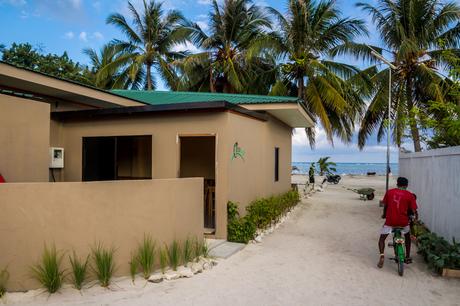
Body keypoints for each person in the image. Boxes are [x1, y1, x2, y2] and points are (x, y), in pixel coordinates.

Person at [377, 177, 418, 268]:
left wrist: (384, 215)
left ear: (397, 184)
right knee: (407, 237)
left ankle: (382, 256)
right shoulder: (409, 195)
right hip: (403, 222)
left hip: (390, 220)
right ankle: (407, 256)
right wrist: (415, 219)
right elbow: (413, 209)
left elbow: (385, 206)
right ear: (406, 185)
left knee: (382, 239)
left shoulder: (389, 192)